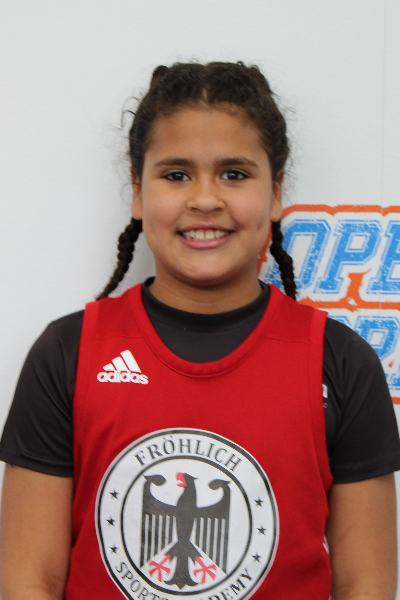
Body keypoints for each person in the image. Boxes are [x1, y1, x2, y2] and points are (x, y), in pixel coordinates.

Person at [0, 61, 399, 600]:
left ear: (275, 191)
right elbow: (30, 582)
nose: (206, 199)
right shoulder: (68, 353)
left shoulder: (341, 361)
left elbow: (366, 585)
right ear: (138, 191)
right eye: (176, 175)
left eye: (234, 174)